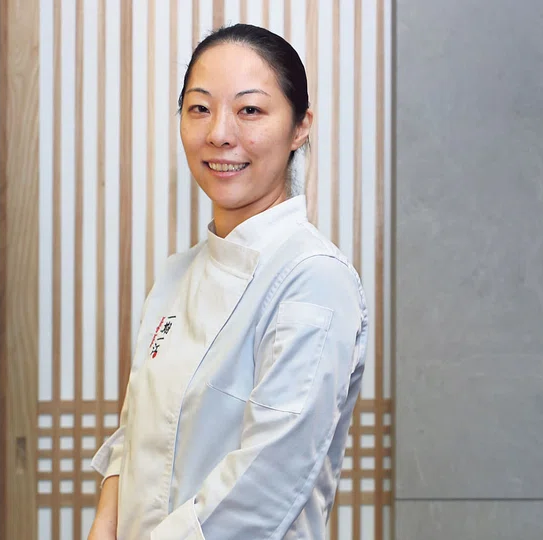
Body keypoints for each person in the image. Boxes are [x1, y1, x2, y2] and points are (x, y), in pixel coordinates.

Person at [87, 23, 369, 540]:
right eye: (200, 108)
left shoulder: (314, 279)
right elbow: (136, 434)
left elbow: (266, 486)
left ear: (300, 127)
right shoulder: (177, 274)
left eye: (250, 110)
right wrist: (103, 528)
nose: (219, 133)